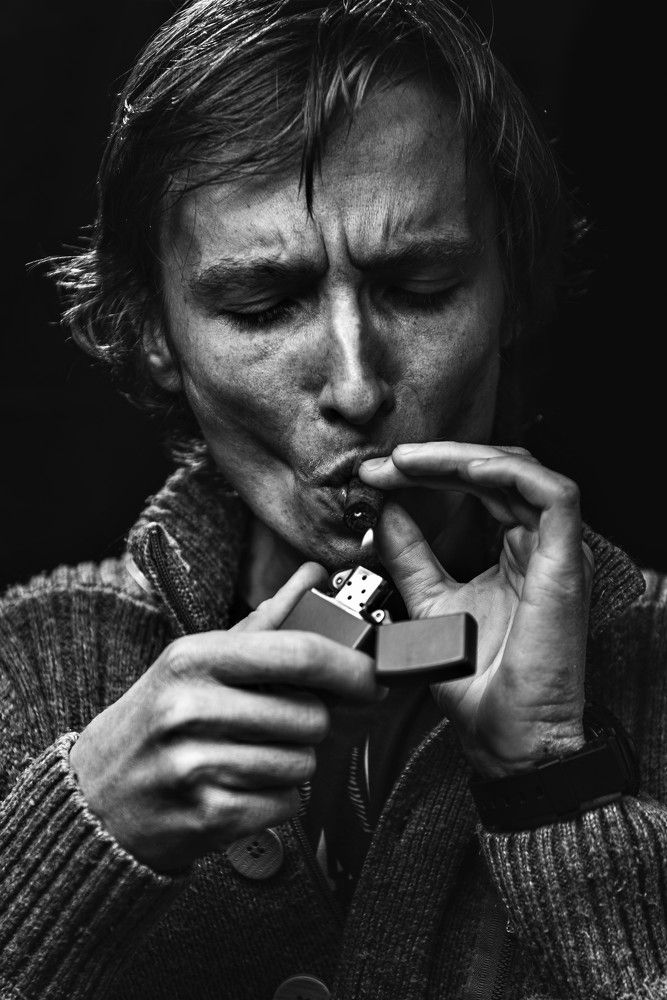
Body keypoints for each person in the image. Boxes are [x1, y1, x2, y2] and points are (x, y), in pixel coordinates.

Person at [1, 2, 665, 998]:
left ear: (514, 289)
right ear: (151, 333)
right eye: (262, 305)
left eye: (420, 286)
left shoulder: (651, 660)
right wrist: (80, 835)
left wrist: (554, 782)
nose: (355, 388)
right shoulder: (25, 669)